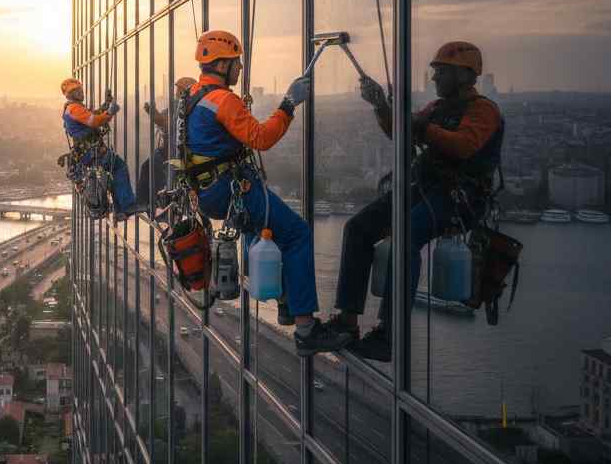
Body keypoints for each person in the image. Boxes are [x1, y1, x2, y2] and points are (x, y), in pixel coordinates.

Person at [327, 41, 504, 362]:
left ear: (464, 75)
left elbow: (463, 145)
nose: (434, 77)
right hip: (426, 188)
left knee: (407, 235)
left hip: (460, 197)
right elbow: (402, 133)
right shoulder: (436, 109)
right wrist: (381, 107)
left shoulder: (483, 111)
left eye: (441, 71)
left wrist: (420, 125)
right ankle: (347, 321)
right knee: (358, 227)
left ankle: (388, 335)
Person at [183, 30, 353, 356]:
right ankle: (306, 329)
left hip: (207, 191)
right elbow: (262, 138)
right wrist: (288, 104)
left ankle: (288, 302)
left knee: (268, 231)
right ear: (221, 65)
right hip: (231, 188)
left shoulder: (192, 95)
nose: (240, 68)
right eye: (236, 63)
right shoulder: (222, 100)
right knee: (297, 233)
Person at [60, 78, 139, 221]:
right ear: (70, 94)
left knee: (113, 172)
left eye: (80, 89)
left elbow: (92, 115)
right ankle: (126, 206)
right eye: (77, 90)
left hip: (88, 153)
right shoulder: (75, 108)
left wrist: (106, 105)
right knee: (119, 167)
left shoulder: (71, 108)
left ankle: (120, 210)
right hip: (93, 152)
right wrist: (110, 112)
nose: (81, 92)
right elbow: (94, 121)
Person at [137, 76, 196, 211]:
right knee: (148, 168)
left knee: (153, 170)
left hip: (176, 152)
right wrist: (153, 112)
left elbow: (166, 123)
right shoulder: (177, 106)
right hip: (169, 150)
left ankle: (151, 203)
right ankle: (146, 202)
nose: (176, 93)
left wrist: (153, 113)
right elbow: (163, 121)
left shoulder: (186, 108)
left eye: (179, 90)